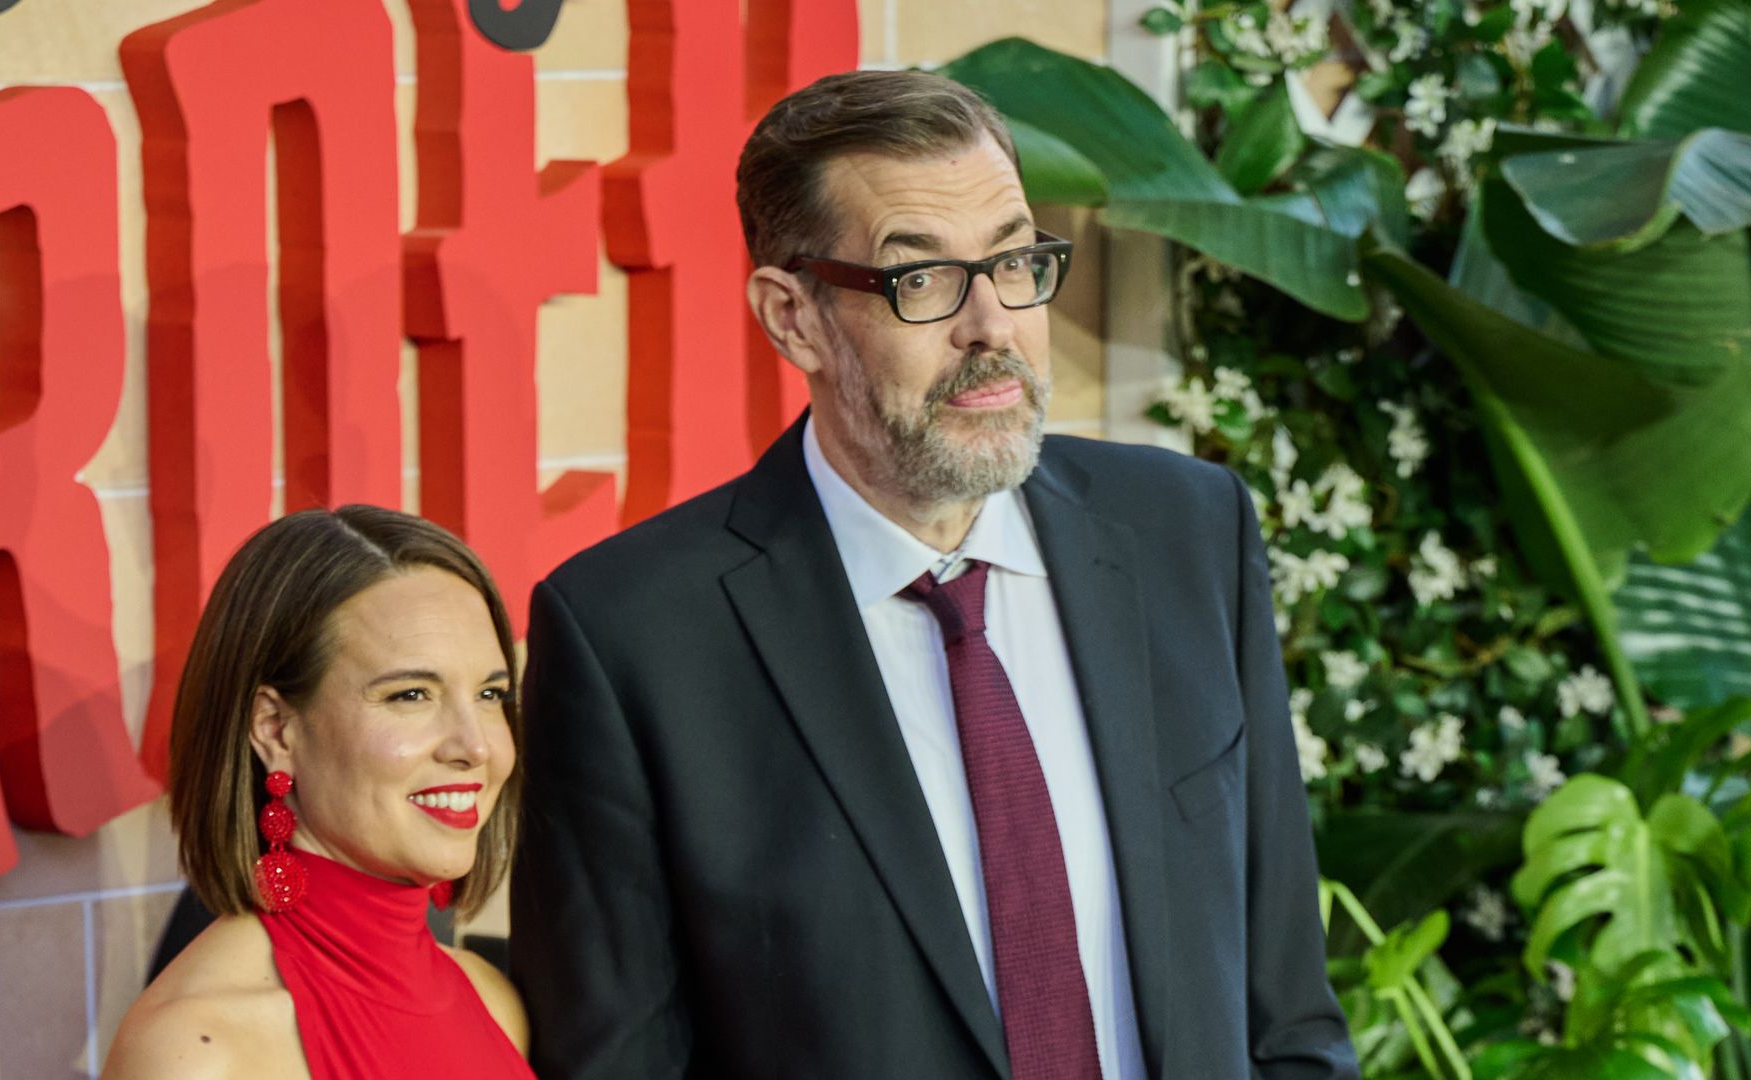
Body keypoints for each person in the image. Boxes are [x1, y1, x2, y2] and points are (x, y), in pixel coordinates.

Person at [510, 69, 1357, 1080]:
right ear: (794, 318)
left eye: (1012, 260)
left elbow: (1287, 1010)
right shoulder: (635, 635)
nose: (992, 326)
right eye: (923, 282)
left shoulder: (1186, 533)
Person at [104, 505, 533, 1080]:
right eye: (411, 695)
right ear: (275, 729)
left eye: (489, 694)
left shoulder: (493, 1000)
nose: (475, 747)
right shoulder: (198, 1052)